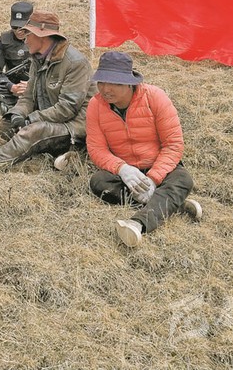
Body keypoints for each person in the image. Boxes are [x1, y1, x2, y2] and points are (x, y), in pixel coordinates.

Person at [0, 10, 95, 175]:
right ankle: (60, 152)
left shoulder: (75, 63)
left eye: (28, 34)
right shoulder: (38, 57)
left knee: (33, 131)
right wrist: (17, 114)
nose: (25, 39)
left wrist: (30, 120)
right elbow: (28, 96)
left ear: (42, 36)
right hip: (52, 118)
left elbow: (67, 108)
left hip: (73, 125)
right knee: (7, 125)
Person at [86, 51, 202, 248]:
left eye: (113, 83)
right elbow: (96, 149)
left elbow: (173, 144)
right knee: (98, 182)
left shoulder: (155, 97)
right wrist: (122, 169)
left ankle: (137, 224)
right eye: (101, 82)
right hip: (125, 172)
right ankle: (173, 204)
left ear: (129, 83)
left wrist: (153, 179)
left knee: (183, 179)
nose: (105, 89)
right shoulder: (95, 105)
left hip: (159, 166)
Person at [0, 1, 34, 114]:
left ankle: (14, 104)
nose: (18, 31)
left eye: (23, 28)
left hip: (36, 85)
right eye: (15, 27)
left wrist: (32, 85)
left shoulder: (41, 39)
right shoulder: (4, 40)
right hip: (14, 87)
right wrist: (11, 86)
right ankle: (22, 104)